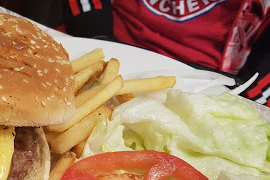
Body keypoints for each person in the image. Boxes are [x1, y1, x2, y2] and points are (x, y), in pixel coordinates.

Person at [62, 0, 270, 105]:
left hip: (210, 79)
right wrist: (95, 37)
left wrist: (245, 96)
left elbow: (257, 88)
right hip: (110, 46)